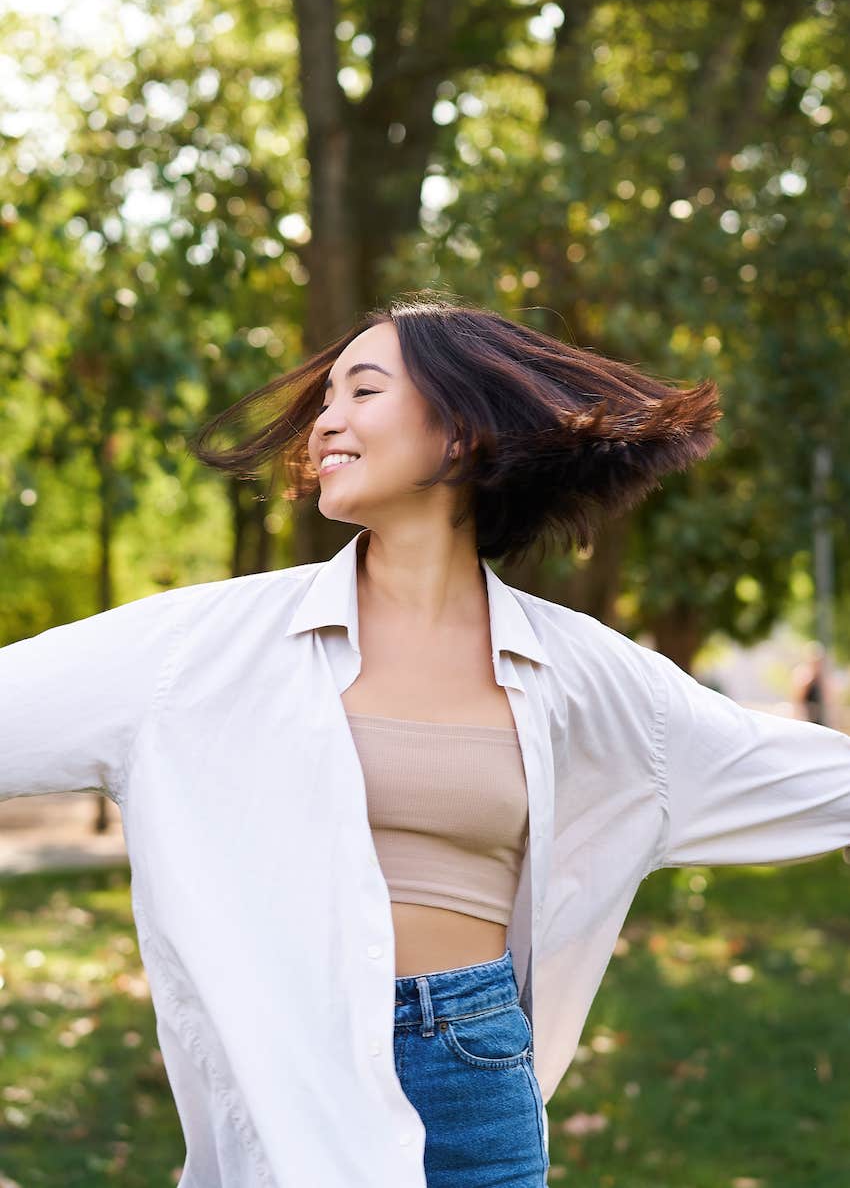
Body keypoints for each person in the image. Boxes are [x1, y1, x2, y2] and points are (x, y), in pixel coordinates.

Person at [2, 292, 850, 1188]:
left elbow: (811, 780)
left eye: (361, 391)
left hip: (474, 1077)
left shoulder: (588, 676)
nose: (326, 419)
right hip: (294, 1072)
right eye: (324, 398)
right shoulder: (202, 647)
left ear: (459, 432)